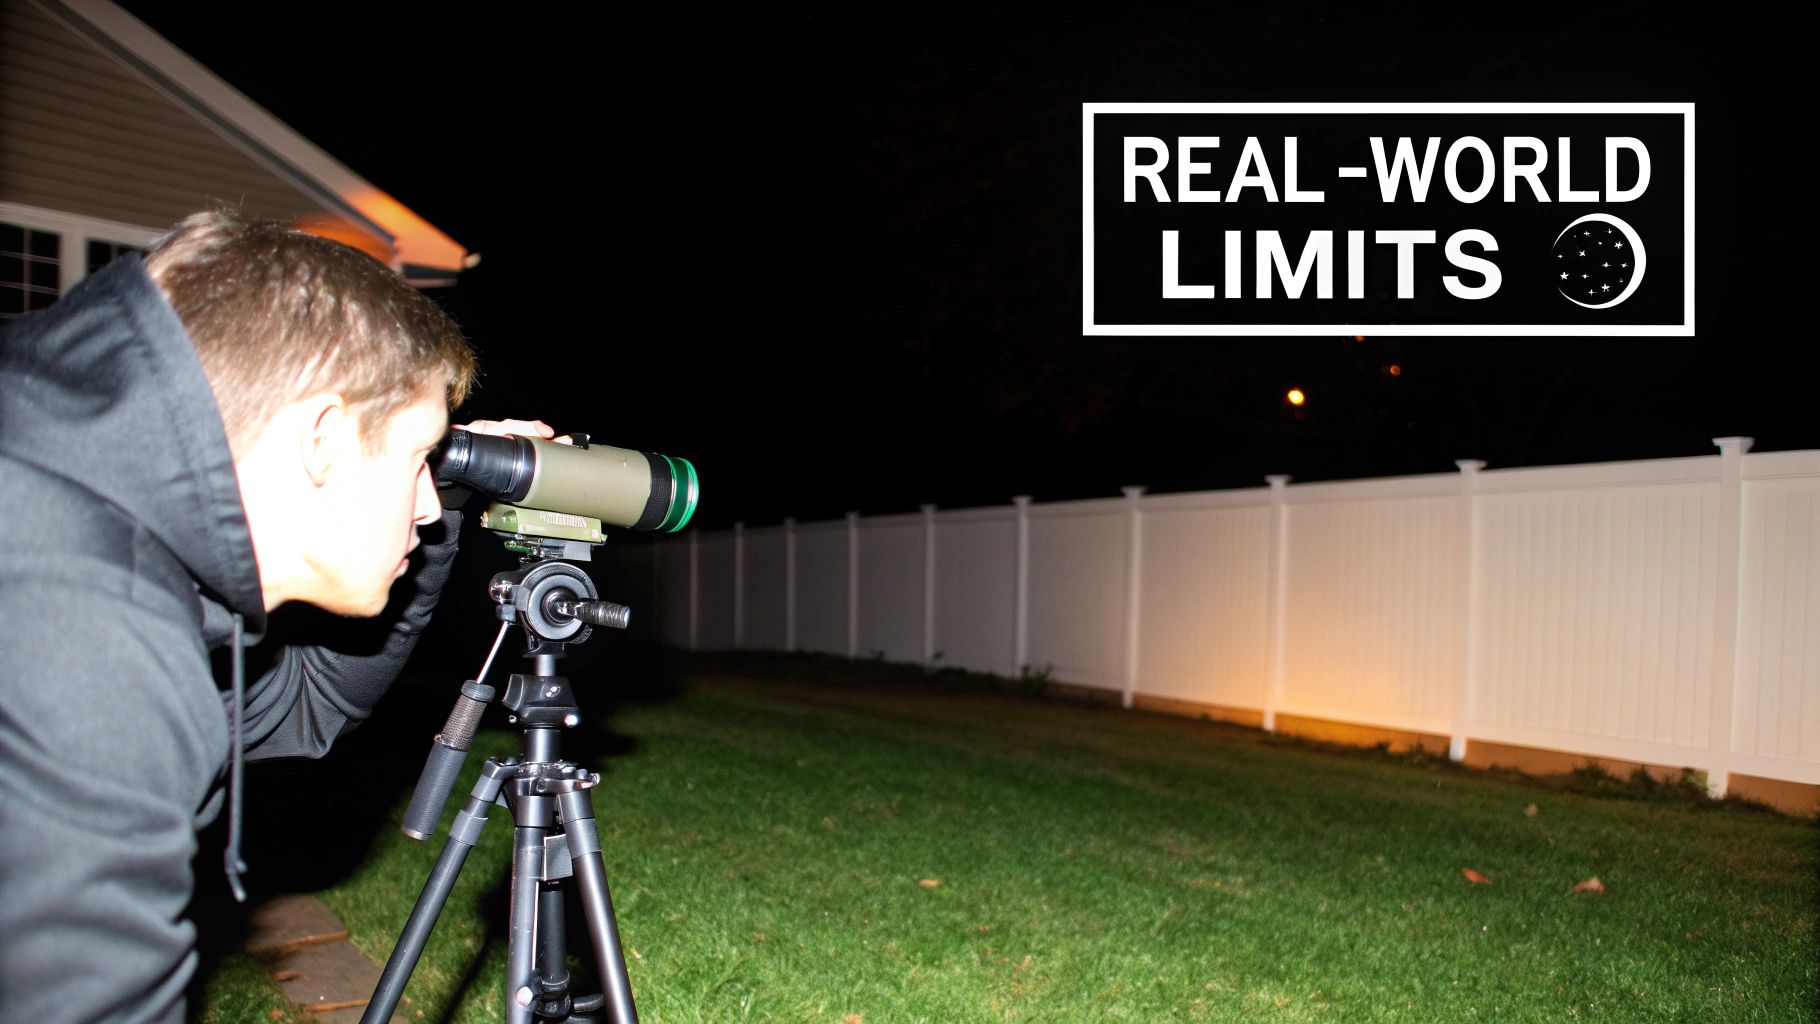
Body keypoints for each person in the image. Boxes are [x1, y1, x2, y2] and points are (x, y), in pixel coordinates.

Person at [0, 209, 545, 1023]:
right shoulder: (88, 635)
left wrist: (449, 501)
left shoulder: (126, 525)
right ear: (321, 438)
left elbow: (304, 705)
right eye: (416, 459)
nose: (429, 506)